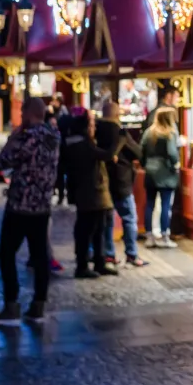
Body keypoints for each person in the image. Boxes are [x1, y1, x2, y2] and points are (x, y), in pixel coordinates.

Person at [0, 97, 60, 326]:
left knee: (6, 252)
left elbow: (3, 162)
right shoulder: (53, 136)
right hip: (42, 205)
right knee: (40, 256)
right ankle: (39, 305)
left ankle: (12, 305)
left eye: (22, 111)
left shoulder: (26, 137)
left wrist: (14, 136)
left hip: (20, 205)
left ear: (29, 113)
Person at [60, 112, 117, 277]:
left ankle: (99, 262)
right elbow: (105, 155)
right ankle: (83, 266)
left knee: (97, 228)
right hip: (90, 194)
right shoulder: (81, 145)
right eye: (92, 125)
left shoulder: (80, 143)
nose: (95, 128)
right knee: (87, 230)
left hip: (92, 193)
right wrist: (118, 139)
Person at [95, 99, 147, 268]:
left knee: (107, 221)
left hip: (102, 184)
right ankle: (131, 255)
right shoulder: (120, 133)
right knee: (129, 218)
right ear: (117, 115)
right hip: (121, 182)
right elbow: (138, 153)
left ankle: (109, 255)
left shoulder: (94, 131)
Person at [141, 106, 181, 248]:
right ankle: (164, 236)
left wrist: (145, 164)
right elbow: (171, 152)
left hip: (150, 172)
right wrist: (176, 164)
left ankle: (149, 236)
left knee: (150, 204)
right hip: (166, 173)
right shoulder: (170, 133)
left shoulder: (149, 132)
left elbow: (142, 151)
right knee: (165, 204)